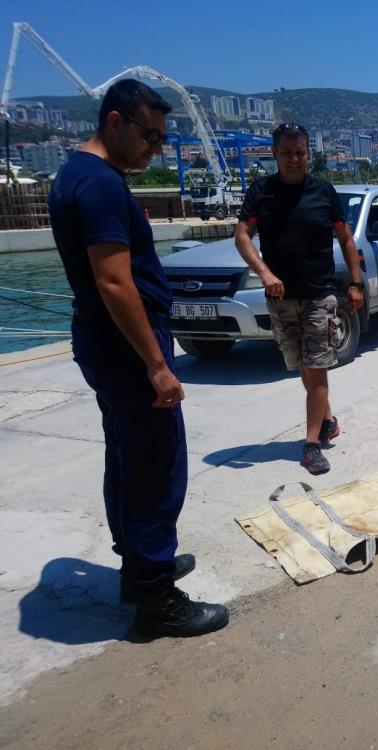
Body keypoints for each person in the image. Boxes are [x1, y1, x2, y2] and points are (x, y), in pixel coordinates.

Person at [48, 79, 229, 637]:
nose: (157, 146)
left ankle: (138, 562)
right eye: (150, 134)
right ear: (115, 122)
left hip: (105, 341)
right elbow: (114, 282)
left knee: (127, 457)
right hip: (127, 346)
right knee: (155, 466)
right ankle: (155, 599)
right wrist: (156, 363)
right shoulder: (99, 185)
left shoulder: (78, 174)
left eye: (162, 135)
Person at [235, 122, 364, 475]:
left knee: (317, 368)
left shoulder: (323, 191)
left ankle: (311, 445)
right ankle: (328, 420)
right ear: (275, 153)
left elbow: (346, 239)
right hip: (280, 296)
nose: (295, 159)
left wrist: (355, 284)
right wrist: (264, 273)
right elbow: (243, 235)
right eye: (288, 153)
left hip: (320, 294)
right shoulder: (261, 191)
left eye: (301, 153)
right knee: (303, 367)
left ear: (309, 153)